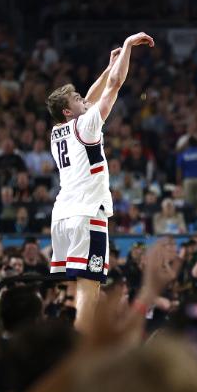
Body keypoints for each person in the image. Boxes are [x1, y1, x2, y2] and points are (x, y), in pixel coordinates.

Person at [47, 32, 154, 332]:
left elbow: (91, 96)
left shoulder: (58, 131)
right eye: (77, 100)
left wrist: (109, 65)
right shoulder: (87, 124)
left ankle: (68, 339)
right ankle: (81, 347)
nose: (84, 100)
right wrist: (129, 46)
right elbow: (113, 87)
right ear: (69, 111)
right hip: (87, 214)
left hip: (62, 215)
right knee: (88, 288)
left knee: (75, 286)